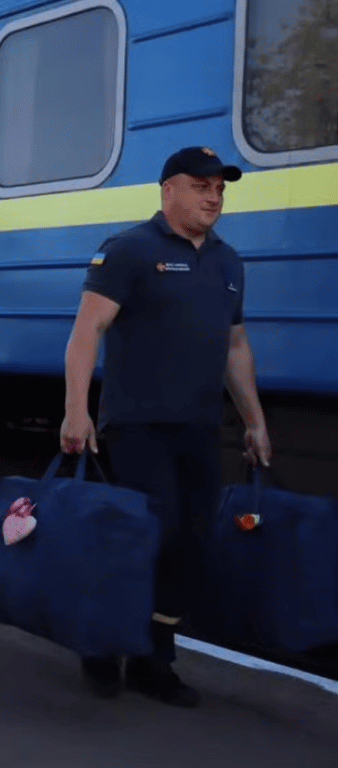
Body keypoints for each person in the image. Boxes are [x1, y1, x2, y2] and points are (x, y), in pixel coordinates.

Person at [60, 146, 272, 708]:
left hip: (198, 426)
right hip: (136, 425)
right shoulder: (129, 250)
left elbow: (235, 346)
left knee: (192, 544)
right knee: (151, 535)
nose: (214, 197)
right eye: (202, 186)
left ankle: (153, 661)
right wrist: (76, 409)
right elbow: (87, 332)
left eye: (220, 189)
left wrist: (255, 422)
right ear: (168, 190)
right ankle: (102, 646)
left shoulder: (229, 262)